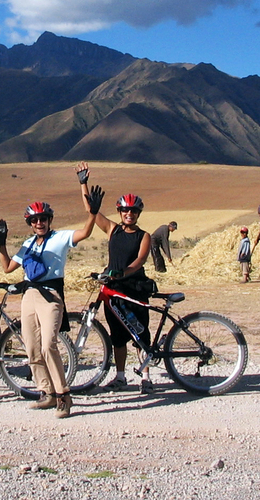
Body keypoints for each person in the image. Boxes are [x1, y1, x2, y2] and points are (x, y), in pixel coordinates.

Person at [0, 189, 101, 418]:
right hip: (29, 295)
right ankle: (46, 393)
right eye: (35, 220)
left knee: (48, 345)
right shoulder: (28, 243)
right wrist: (1, 244)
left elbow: (84, 233)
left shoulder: (60, 238)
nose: (39, 223)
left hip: (51, 295)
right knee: (31, 347)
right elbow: (7, 268)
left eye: (43, 219)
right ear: (30, 223)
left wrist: (92, 213)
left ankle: (64, 395)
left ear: (49, 220)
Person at [76, 162, 153, 391]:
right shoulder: (113, 229)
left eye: (134, 211)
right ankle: (120, 377)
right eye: (125, 210)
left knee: (140, 334)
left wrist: (123, 272)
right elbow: (91, 211)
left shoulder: (144, 235)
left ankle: (146, 378)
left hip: (135, 288)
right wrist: (83, 184)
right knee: (117, 336)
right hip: (113, 290)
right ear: (119, 212)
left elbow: (140, 260)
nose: (129, 214)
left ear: (138, 214)